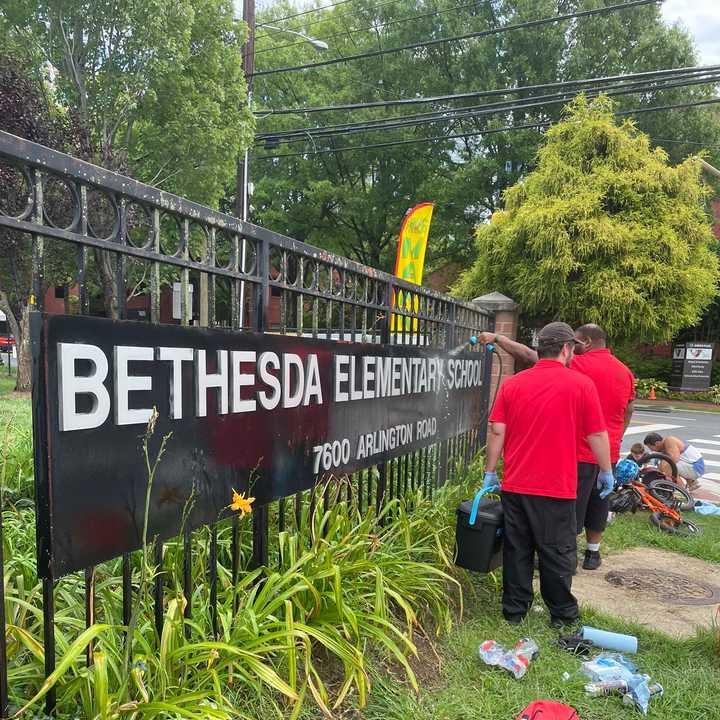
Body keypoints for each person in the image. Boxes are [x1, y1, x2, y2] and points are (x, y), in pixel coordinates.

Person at [483, 322, 612, 627]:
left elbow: (496, 429)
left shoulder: (512, 385)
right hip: (557, 487)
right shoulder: (580, 384)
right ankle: (562, 616)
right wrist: (606, 470)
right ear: (567, 349)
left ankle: (514, 612)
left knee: (518, 549)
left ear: (540, 349)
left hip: (515, 485)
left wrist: (490, 471)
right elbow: (596, 434)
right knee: (557, 551)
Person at [478, 324, 635, 571]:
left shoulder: (579, 367)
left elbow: (534, 358)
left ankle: (562, 558)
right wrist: (614, 445)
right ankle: (593, 553)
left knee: (570, 514)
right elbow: (628, 410)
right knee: (599, 502)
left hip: (578, 451)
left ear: (586, 344)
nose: (574, 349)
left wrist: (498, 338)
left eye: (578, 343)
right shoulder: (625, 372)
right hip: (608, 452)